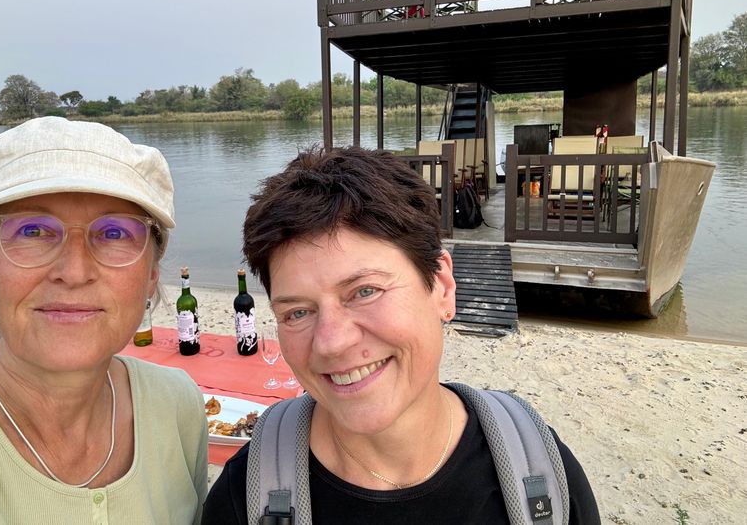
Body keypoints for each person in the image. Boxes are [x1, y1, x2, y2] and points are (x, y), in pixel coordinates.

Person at [203, 146, 600, 524]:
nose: (332, 342)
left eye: (365, 291)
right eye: (298, 312)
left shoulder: (539, 471)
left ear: (442, 287)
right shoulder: (247, 496)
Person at [0, 117, 208, 524]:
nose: (74, 271)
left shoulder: (177, 405)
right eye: (33, 230)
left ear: (151, 276)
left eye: (114, 233)